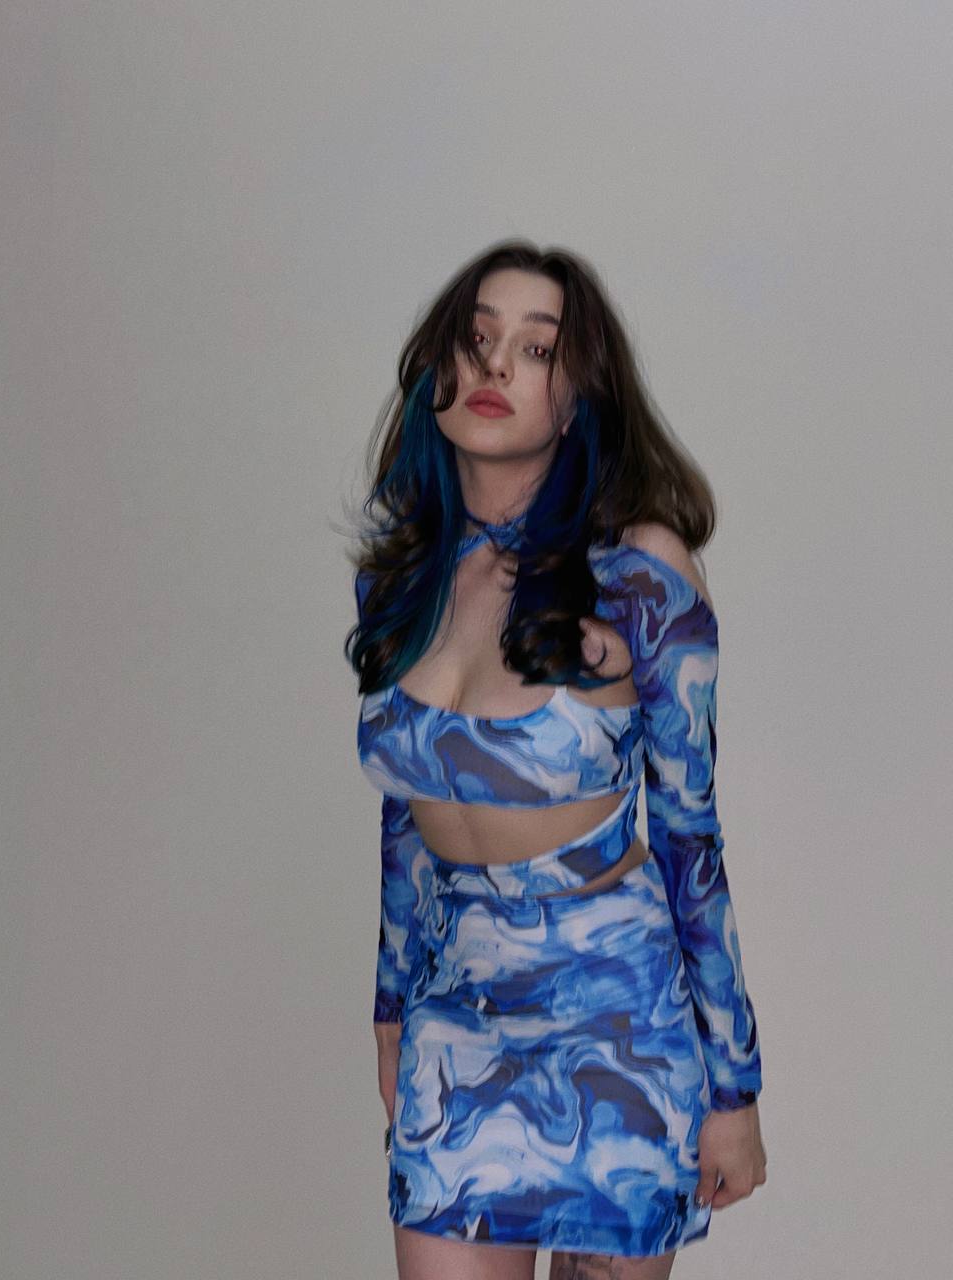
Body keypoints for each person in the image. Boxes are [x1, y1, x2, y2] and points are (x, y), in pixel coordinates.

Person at [345, 240, 767, 1280]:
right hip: (457, 1015)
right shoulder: (403, 573)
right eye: (477, 338)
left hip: (614, 1021)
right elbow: (404, 817)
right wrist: (390, 1009)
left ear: (578, 397)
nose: (496, 365)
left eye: (537, 349)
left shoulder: (640, 574)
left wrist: (735, 1088)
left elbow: (691, 836)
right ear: (436, 368)